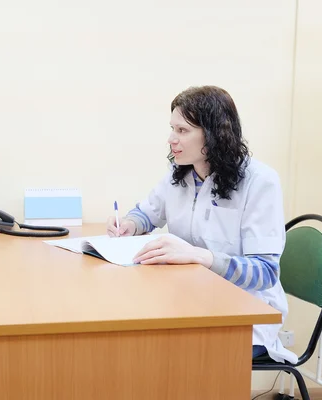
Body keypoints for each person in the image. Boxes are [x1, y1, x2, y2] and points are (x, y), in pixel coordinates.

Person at [107, 85, 297, 363]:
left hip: (242, 313)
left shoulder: (260, 182)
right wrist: (128, 225)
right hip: (189, 300)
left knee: (161, 351)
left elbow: (265, 273)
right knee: (131, 333)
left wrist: (202, 257)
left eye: (182, 131)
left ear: (214, 134)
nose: (172, 139)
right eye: (172, 128)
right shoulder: (180, 173)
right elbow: (147, 214)